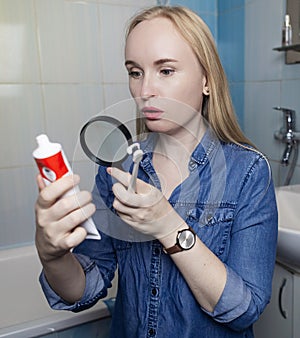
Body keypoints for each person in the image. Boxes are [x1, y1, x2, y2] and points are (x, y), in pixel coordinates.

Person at [35, 5, 278, 338]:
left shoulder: (248, 173)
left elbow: (244, 309)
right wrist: (53, 255)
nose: (145, 90)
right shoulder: (117, 170)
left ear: (206, 79)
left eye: (165, 71)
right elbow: (85, 288)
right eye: (135, 72)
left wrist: (168, 226)